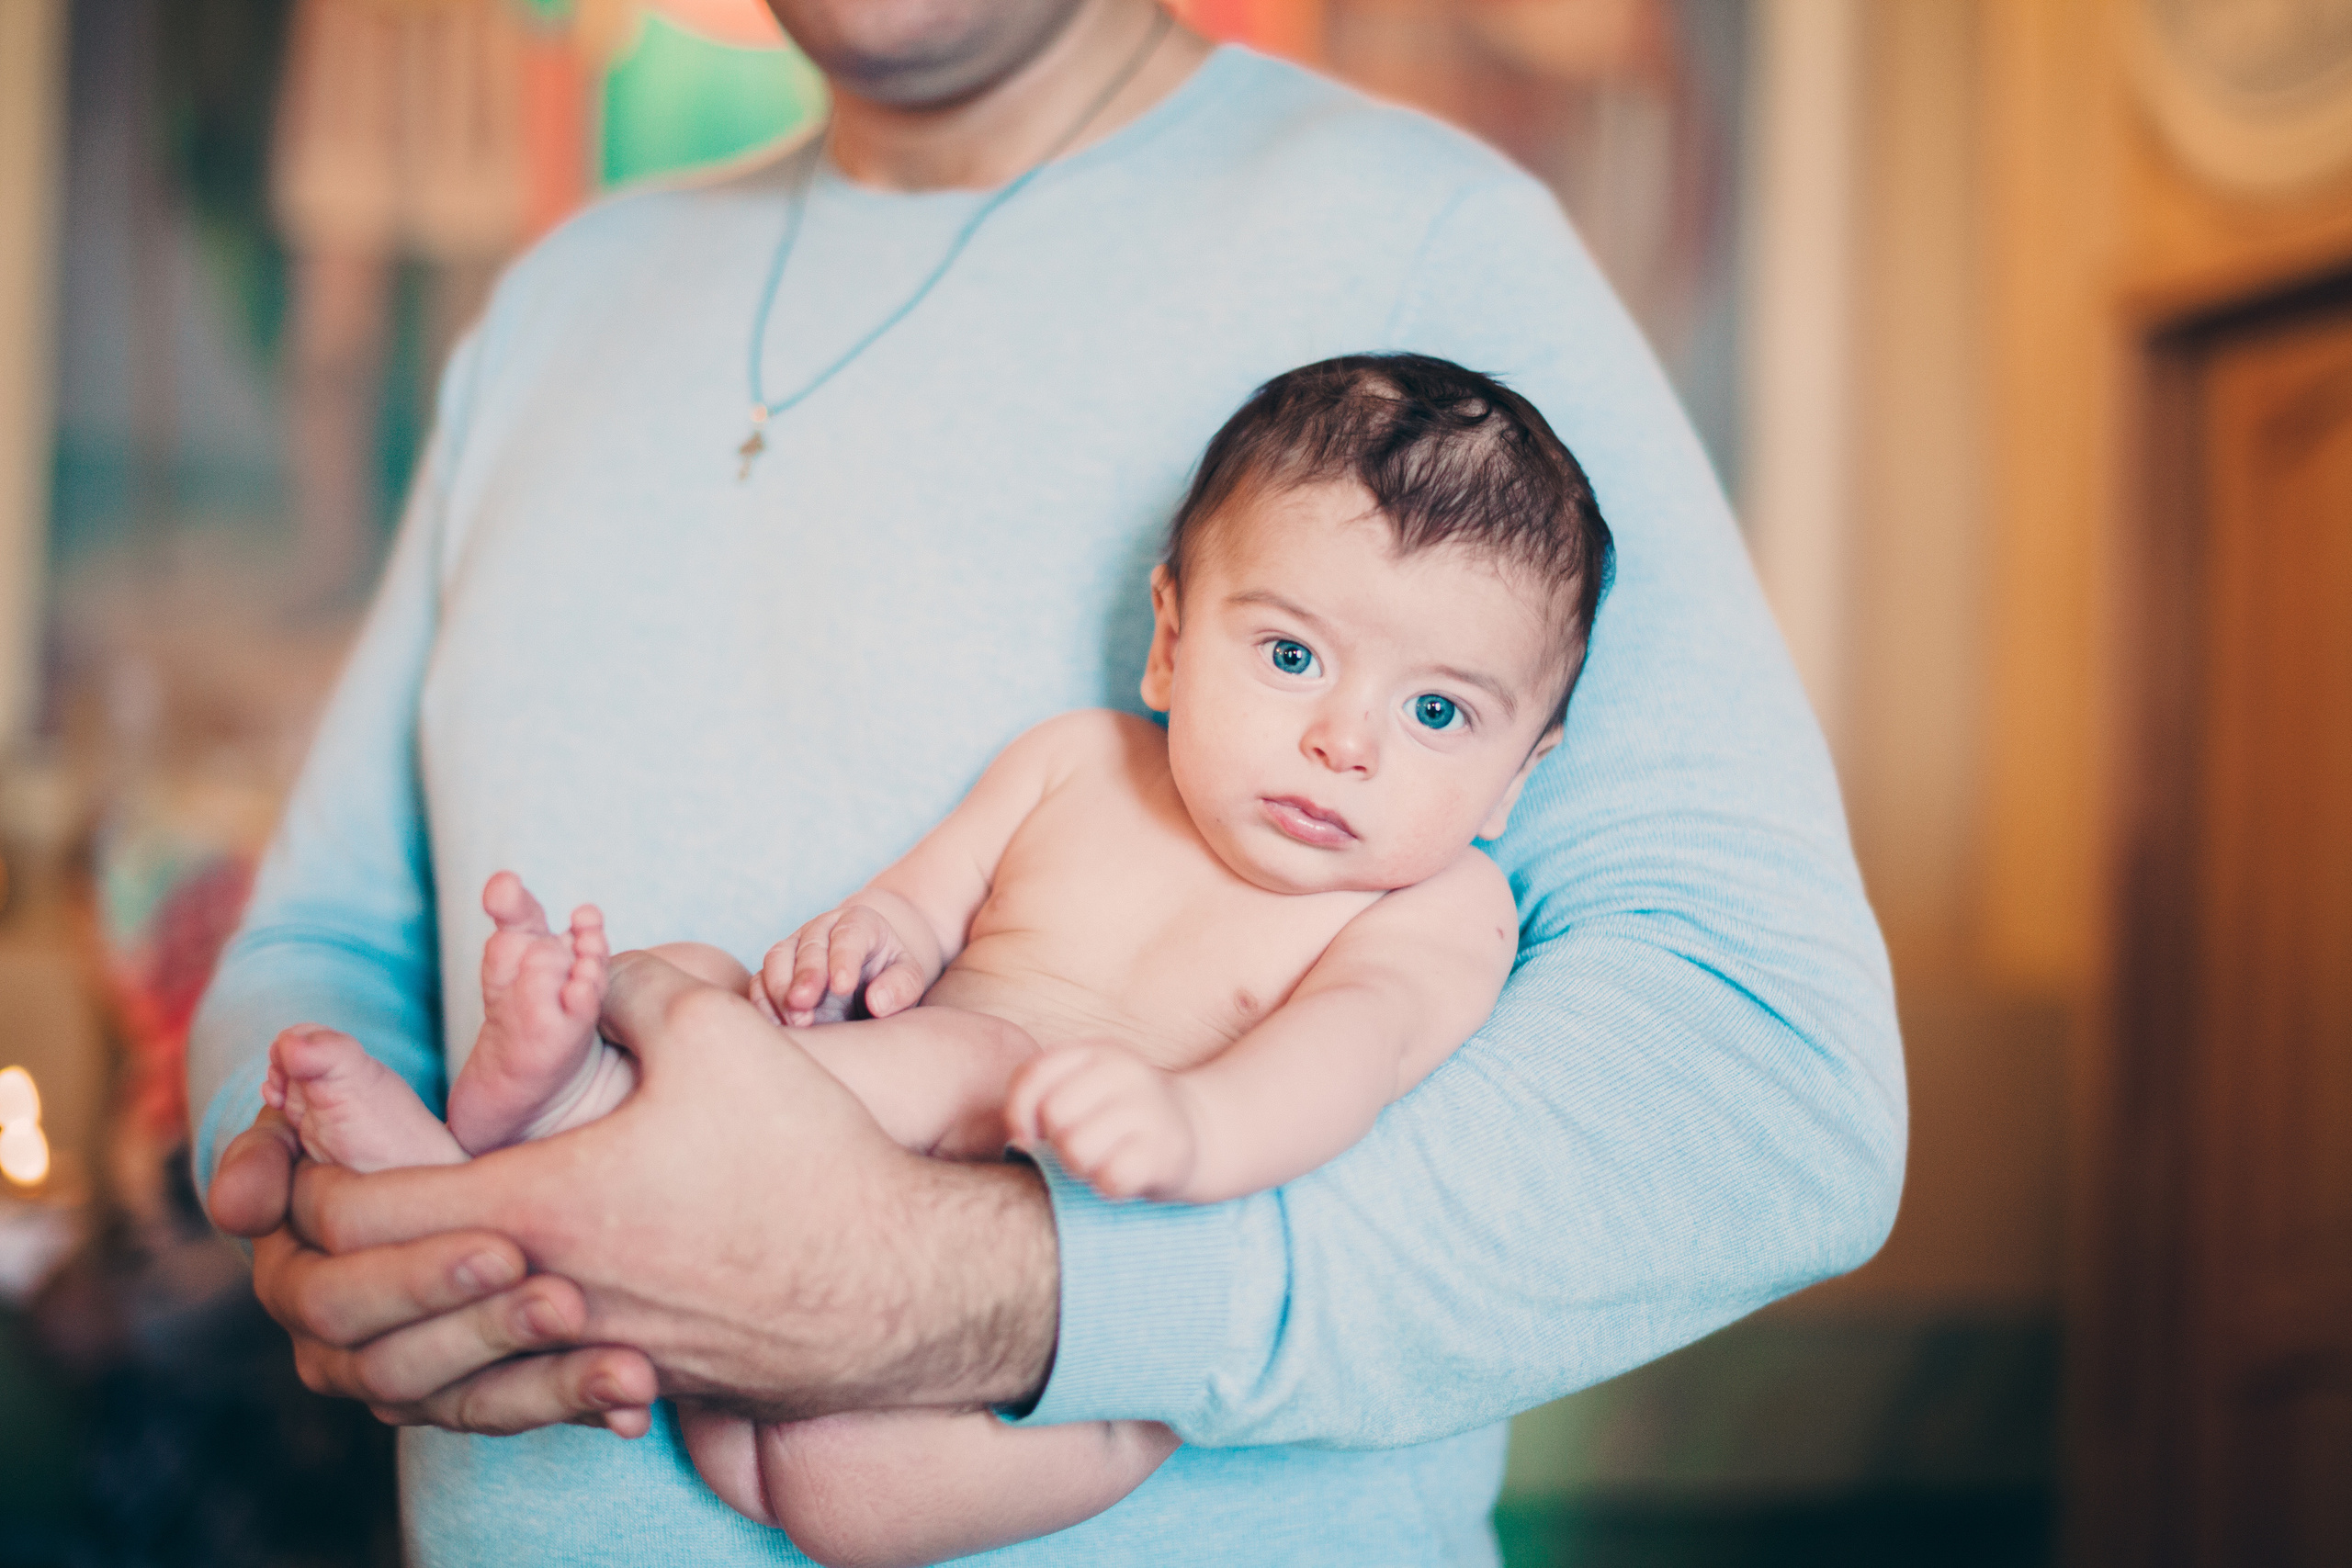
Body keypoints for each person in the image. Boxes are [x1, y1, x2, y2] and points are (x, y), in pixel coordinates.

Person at [192, 3, 1907, 1563]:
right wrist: (324, 1207)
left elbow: (1770, 1086)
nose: (1338, 728)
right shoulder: (562, 302)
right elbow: (334, 928)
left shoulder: (1433, 249)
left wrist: (995, 1293)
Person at [257, 354, 1612, 1565]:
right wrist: (869, 938)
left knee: (977, 1454)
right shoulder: (1076, 763)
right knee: (687, 984)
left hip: (1084, 1218)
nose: (1344, 739)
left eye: (1436, 710)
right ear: (1171, 638)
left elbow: (1354, 1051)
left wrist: (1198, 1124)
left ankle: (570, 1226)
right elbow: (922, 902)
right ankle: (529, 1121)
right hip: (874, 1096)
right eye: (1292, 653)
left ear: (1515, 777)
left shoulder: (1442, 907)